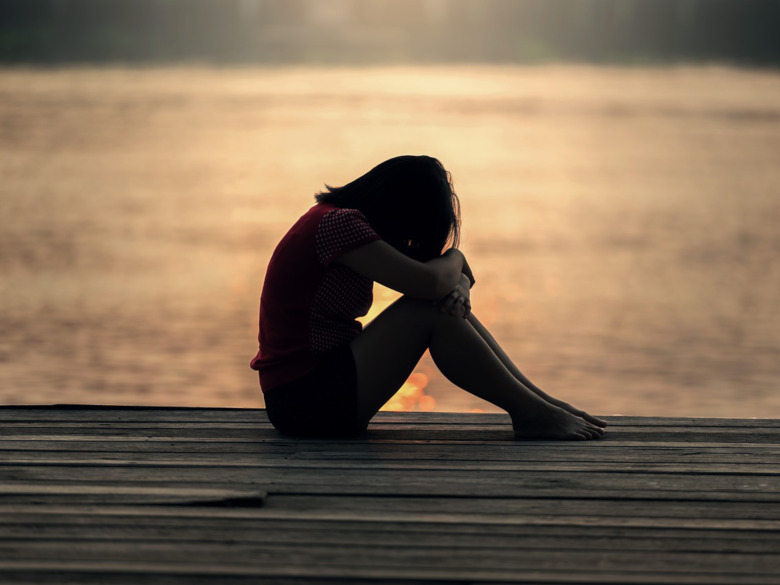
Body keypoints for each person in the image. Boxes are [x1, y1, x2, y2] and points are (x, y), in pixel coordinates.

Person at [250, 155, 606, 440]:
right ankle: (533, 413)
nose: (408, 240)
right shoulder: (339, 225)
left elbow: (442, 281)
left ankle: (540, 405)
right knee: (428, 309)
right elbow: (431, 283)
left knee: (436, 305)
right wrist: (456, 258)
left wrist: (460, 284)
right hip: (304, 401)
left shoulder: (336, 222)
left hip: (314, 394)